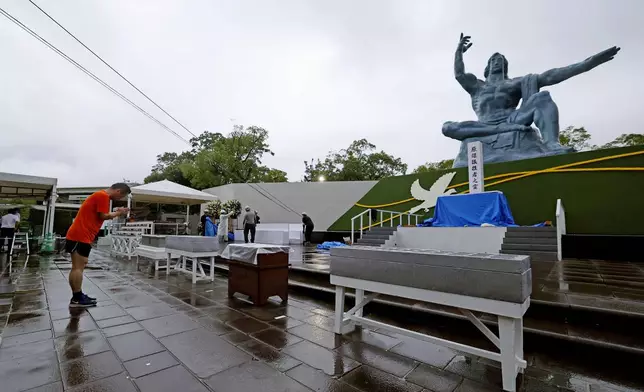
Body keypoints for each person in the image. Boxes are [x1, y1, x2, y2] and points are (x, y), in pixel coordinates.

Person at [65, 183, 130, 307]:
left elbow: (100, 215)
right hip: (80, 235)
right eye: (121, 196)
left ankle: (77, 295)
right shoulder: (103, 196)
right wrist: (118, 213)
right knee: (78, 267)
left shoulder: (100, 195)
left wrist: (117, 212)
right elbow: (103, 215)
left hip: (81, 235)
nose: (119, 199)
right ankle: (77, 298)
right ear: (118, 191)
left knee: (79, 265)